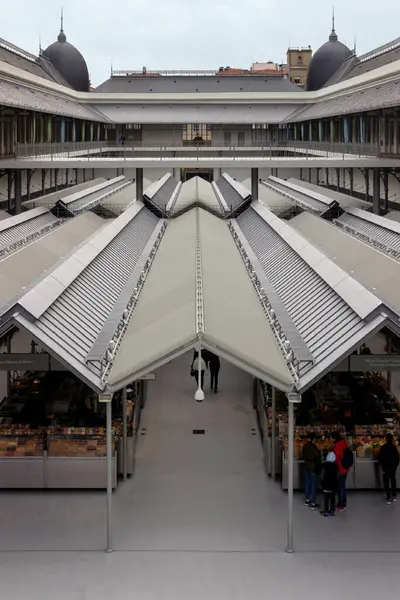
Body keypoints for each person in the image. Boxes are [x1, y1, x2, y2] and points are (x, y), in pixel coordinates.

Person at [302, 433, 321, 510]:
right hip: (313, 468)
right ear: (313, 439)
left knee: (307, 483)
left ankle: (307, 500)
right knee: (313, 486)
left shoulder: (305, 446)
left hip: (306, 467)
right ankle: (313, 503)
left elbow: (303, 454)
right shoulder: (315, 448)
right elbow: (318, 460)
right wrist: (319, 469)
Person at [378, 433, 399, 504]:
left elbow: (380, 458)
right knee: (393, 481)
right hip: (392, 468)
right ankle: (394, 495)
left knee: (386, 482)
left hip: (386, 468)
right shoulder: (394, 447)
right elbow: (397, 459)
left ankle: (388, 498)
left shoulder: (383, 447)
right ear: (392, 439)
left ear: (386, 439)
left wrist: (383, 468)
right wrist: (395, 467)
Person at [333, 432, 351, 511]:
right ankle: (344, 503)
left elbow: (337, 458)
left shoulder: (337, 445)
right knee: (343, 486)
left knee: (340, 487)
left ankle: (341, 505)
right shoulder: (344, 442)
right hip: (346, 468)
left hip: (341, 469)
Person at [320, 452, 338, 517]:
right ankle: (332, 511)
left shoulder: (324, 465)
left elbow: (321, 475)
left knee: (326, 499)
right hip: (333, 486)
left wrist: (321, 483)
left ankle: (326, 511)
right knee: (333, 499)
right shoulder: (335, 466)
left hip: (326, 485)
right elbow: (338, 476)